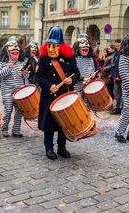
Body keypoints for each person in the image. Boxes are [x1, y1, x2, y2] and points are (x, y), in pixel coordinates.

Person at [35, 26, 80, 159]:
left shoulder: (69, 57)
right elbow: (38, 76)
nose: (51, 48)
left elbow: (76, 73)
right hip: (49, 96)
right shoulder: (43, 59)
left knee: (63, 123)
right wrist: (49, 86)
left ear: (61, 46)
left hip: (64, 94)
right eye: (49, 45)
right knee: (49, 124)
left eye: (54, 45)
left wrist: (71, 80)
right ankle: (49, 148)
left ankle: (62, 147)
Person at [0, 37, 27, 138]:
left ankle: (16, 130)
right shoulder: (2, 63)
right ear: (8, 52)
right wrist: (8, 68)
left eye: (16, 51)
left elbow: (25, 77)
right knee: (8, 110)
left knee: (19, 111)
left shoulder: (21, 63)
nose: (15, 53)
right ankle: (4, 129)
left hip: (19, 91)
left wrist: (25, 72)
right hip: (7, 91)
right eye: (12, 52)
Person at [73, 34, 98, 108]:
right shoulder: (74, 59)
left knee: (87, 105)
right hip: (77, 85)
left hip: (88, 85)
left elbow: (92, 69)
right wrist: (82, 78)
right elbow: (73, 72)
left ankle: (87, 118)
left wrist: (92, 74)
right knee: (78, 104)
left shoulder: (90, 58)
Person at [110, 38, 123, 115]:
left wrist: (119, 76)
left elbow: (121, 67)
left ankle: (121, 108)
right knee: (117, 93)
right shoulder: (115, 54)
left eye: (118, 46)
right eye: (116, 46)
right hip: (115, 77)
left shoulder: (123, 54)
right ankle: (118, 107)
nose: (116, 47)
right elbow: (113, 65)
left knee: (122, 94)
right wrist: (112, 74)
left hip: (121, 78)